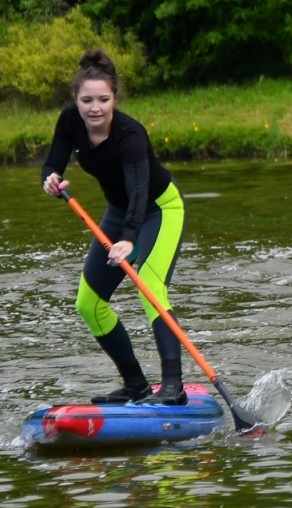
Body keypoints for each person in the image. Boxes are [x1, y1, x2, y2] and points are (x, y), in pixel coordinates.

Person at [40, 49, 190, 405]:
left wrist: (128, 240)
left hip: (158, 210)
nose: (95, 108)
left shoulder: (130, 135)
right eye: (86, 100)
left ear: (114, 100)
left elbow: (139, 193)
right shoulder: (69, 121)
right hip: (118, 212)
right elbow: (52, 164)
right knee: (88, 303)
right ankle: (135, 384)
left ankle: (173, 387)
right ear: (76, 100)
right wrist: (49, 179)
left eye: (103, 100)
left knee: (150, 286)